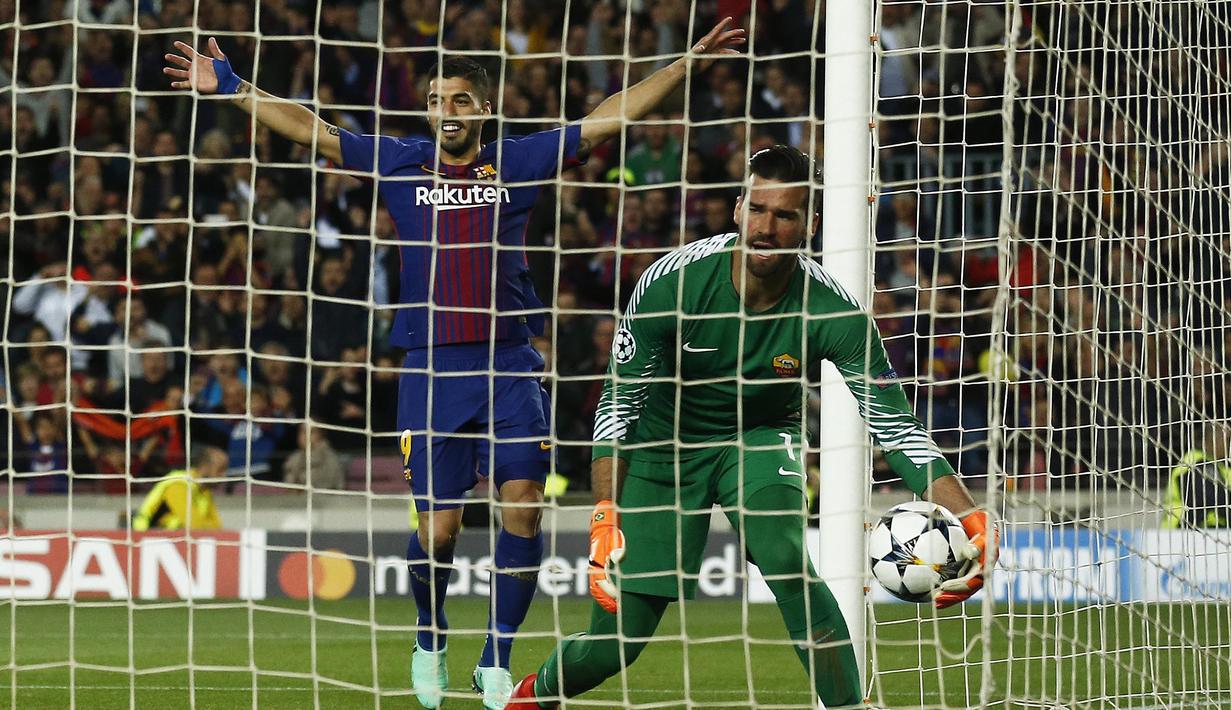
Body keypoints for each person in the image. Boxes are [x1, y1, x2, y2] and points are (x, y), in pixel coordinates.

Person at [164, 19, 745, 709]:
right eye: (439, 99)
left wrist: (681, 64)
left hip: (509, 362)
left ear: (484, 108)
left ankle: (496, 658)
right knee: (437, 529)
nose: (448, 111)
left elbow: (602, 120)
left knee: (523, 507)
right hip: (433, 370)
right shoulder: (400, 159)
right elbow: (309, 129)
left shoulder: (518, 163)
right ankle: (430, 635)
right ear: (429, 109)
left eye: (462, 100)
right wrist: (231, 87)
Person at [508, 146, 998, 709]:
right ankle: (531, 696)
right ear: (738, 209)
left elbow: (895, 427)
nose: (768, 228)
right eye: (759, 209)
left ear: (810, 224)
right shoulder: (673, 282)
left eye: (785, 216)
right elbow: (619, 405)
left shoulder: (834, 310)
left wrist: (970, 513)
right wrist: (604, 516)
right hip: (663, 446)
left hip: (761, 438)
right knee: (617, 642)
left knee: (787, 557)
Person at [131, 446, 228, 532]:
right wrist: (207, 526)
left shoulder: (204, 490)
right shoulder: (177, 485)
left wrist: (207, 526)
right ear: (204, 467)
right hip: (148, 538)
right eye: (220, 470)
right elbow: (194, 526)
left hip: (174, 541)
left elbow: (218, 528)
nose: (224, 476)